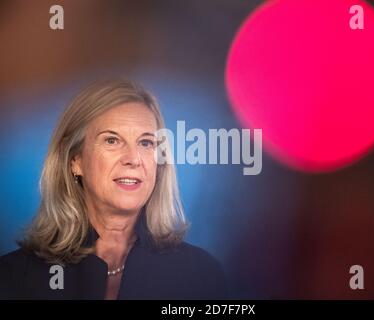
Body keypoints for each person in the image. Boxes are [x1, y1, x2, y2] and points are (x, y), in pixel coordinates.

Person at [0, 79, 228, 299]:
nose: (133, 159)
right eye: (112, 140)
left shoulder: (201, 275)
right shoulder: (14, 278)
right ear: (75, 160)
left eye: (146, 143)